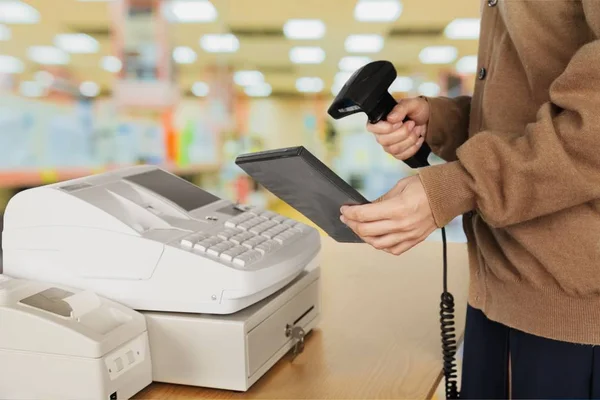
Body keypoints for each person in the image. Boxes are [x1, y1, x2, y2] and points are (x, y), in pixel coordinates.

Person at [339, 1, 600, 398]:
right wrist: (441, 121)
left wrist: (463, 184)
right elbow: (526, 104)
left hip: (570, 308)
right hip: (496, 285)